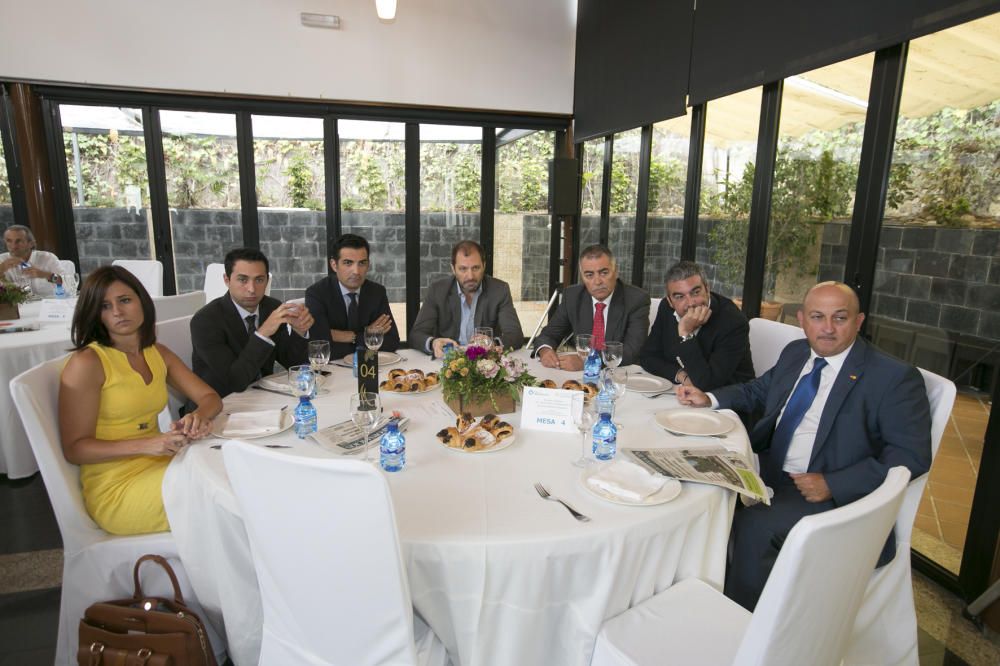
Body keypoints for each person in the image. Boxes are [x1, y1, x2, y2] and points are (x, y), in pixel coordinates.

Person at [676, 281, 931, 610]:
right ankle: (697, 599)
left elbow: (911, 456)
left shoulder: (893, 378)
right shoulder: (797, 352)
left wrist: (833, 484)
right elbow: (759, 390)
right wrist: (708, 398)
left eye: (839, 318)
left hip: (827, 490)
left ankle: (744, 629)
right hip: (767, 468)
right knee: (693, 490)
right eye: (817, 317)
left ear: (859, 321)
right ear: (802, 319)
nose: (827, 328)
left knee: (752, 527)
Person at [58, 266, 222, 535]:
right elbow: (75, 449)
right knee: (224, 495)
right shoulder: (87, 362)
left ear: (142, 301)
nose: (117, 313)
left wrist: (199, 416)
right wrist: (149, 444)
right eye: (105, 306)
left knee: (235, 476)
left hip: (163, 464)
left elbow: (210, 397)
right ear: (95, 314)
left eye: (124, 300)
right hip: (118, 488)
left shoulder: (157, 352)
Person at [191, 248, 314, 399]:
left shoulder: (271, 307)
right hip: (221, 405)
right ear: (227, 280)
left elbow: (294, 364)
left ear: (267, 281)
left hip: (264, 397)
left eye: (259, 280)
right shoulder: (205, 321)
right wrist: (263, 333)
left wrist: (299, 331)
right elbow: (235, 381)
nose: (251, 289)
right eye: (243, 280)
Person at [640, 260, 754, 391]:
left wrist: (685, 333)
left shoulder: (733, 322)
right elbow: (647, 356)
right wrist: (681, 375)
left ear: (707, 289)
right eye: (679, 296)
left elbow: (707, 383)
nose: (690, 303)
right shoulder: (667, 308)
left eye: (695, 292)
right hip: (682, 393)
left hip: (726, 402)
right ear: (670, 301)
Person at [534, 244, 650, 370]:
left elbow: (632, 351)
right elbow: (549, 335)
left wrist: (588, 362)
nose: (597, 281)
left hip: (621, 374)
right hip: (580, 378)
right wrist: (545, 350)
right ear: (582, 277)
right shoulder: (573, 296)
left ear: (616, 272)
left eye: (604, 273)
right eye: (589, 275)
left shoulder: (636, 300)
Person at [410, 240, 525, 357]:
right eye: (463, 269)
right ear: (453, 269)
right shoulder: (437, 290)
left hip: (484, 363)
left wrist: (493, 343)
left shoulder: (499, 290)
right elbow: (416, 335)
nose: (470, 276)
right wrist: (433, 343)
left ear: (484, 266)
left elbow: (515, 335)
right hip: (446, 361)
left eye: (475, 268)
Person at [305, 234, 398, 360]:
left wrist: (348, 337)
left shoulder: (377, 292)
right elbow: (320, 347)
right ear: (334, 265)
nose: (356, 271)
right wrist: (368, 336)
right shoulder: (317, 293)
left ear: (368, 264)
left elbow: (391, 342)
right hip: (333, 371)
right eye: (348, 263)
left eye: (362, 263)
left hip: (368, 367)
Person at [0, 224, 63, 297]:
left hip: (49, 305)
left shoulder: (48, 258)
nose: (13, 246)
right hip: (16, 307)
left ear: (31, 243)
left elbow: (66, 283)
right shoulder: (1, 260)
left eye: (18, 241)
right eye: (9, 241)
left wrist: (46, 275)